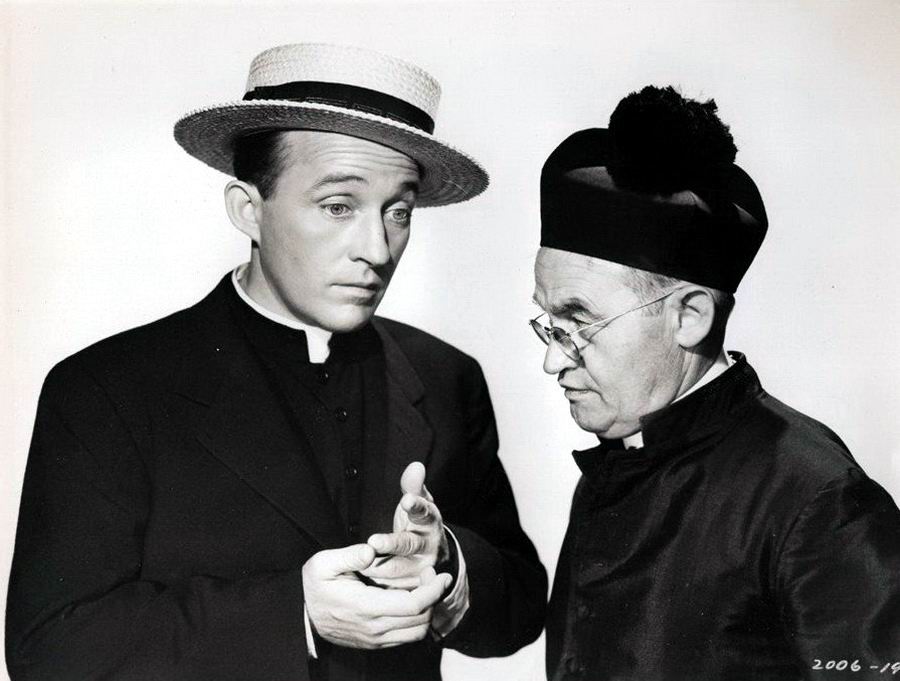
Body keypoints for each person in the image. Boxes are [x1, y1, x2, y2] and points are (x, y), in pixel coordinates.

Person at [6, 43, 546, 681]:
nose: (377, 249)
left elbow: (522, 609)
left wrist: (447, 561)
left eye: (398, 212)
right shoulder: (105, 389)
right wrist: (296, 613)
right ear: (248, 210)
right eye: (339, 206)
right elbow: (49, 647)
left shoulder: (446, 376)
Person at [531, 86, 900, 680]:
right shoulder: (617, 460)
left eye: (580, 322)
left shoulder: (818, 501)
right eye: (549, 323)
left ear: (690, 316)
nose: (553, 361)